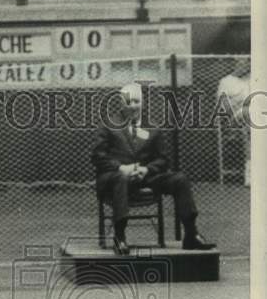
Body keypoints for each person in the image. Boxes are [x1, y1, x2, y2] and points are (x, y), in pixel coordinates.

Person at [92, 82, 215, 256]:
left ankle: (191, 234)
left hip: (145, 177)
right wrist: (121, 168)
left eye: (137, 101)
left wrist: (147, 170)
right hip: (115, 178)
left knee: (179, 179)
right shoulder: (108, 125)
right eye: (129, 102)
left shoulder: (153, 128)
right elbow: (98, 156)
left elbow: (163, 159)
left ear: (142, 102)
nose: (133, 106)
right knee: (120, 179)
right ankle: (119, 237)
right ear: (121, 103)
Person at [217, 57, 251, 186]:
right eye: (242, 63)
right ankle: (250, 173)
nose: (246, 67)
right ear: (235, 64)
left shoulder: (253, 79)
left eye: (248, 64)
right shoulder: (226, 82)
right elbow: (224, 106)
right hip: (233, 119)